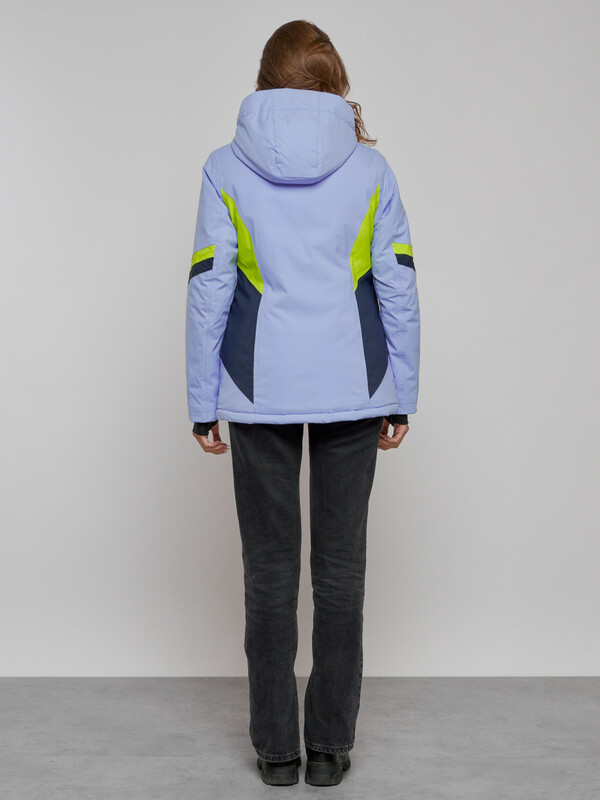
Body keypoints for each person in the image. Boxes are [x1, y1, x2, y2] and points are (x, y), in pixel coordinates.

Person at [185, 19, 420, 787]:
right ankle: (329, 751)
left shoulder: (225, 166)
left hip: (259, 389)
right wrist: (402, 391)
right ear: (334, 81)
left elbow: (210, 285)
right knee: (341, 572)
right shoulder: (371, 169)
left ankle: (277, 754)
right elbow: (397, 283)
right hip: (356, 384)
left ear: (264, 81)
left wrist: (202, 399)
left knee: (269, 572)